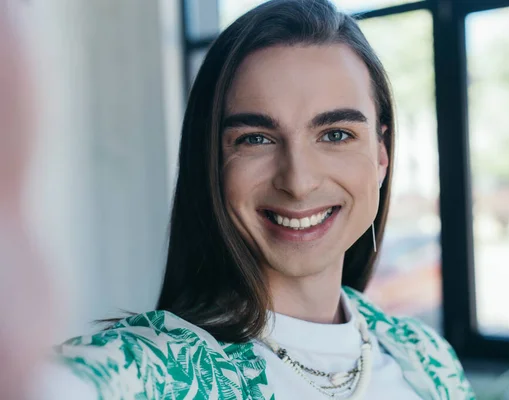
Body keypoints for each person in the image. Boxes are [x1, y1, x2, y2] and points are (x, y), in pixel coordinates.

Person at [38, 0, 475, 398]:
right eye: (256, 138)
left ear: (381, 155)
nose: (298, 181)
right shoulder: (147, 371)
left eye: (336, 134)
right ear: (210, 161)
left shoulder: (427, 360)